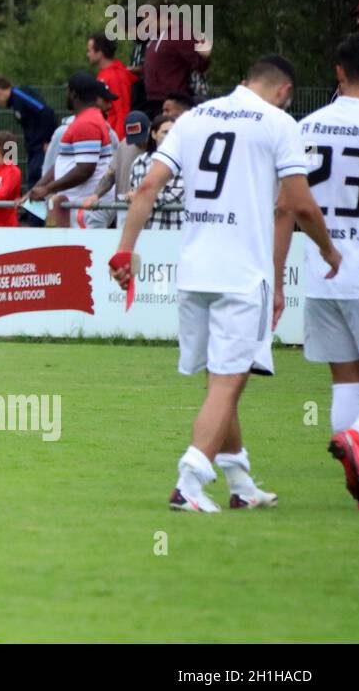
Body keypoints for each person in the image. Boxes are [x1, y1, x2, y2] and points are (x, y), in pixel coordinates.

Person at [111, 54, 340, 512]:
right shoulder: (277, 122)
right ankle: (190, 480)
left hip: (195, 271)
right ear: (283, 92)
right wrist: (329, 250)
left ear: (243, 80)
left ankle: (239, 481)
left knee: (221, 378)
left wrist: (125, 250)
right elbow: (300, 205)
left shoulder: (193, 119)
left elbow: (148, 186)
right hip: (241, 275)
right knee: (229, 381)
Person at [291, 33, 359, 505]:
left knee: (346, 379)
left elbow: (291, 204)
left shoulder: (307, 127)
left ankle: (357, 479)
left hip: (322, 271)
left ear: (338, 71)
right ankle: (356, 440)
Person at [26, 73, 115, 228]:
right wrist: (35, 190)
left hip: (87, 206)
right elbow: (62, 162)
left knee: (86, 251)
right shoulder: (85, 120)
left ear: (73, 93)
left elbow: (85, 169)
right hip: (80, 204)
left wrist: (47, 189)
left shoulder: (87, 123)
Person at [0, 75, 57, 190]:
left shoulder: (20, 95)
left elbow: (46, 111)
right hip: (33, 149)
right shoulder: (15, 103)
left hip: (41, 148)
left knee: (38, 182)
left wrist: (48, 140)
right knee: (33, 182)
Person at [80, 109, 150, 229]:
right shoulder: (124, 145)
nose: (138, 142)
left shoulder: (161, 147)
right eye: (134, 138)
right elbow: (110, 174)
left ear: (150, 129)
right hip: (125, 208)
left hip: (151, 209)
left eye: (141, 138)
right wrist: (96, 195)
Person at [127, 116, 185, 230]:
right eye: (165, 132)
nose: (170, 137)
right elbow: (134, 191)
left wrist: (140, 196)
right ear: (153, 134)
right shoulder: (140, 161)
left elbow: (176, 196)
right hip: (145, 231)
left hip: (174, 229)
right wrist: (131, 197)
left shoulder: (184, 161)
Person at [143, 29, 211, 118]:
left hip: (173, 101)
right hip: (152, 101)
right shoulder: (156, 35)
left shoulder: (180, 33)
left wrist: (204, 57)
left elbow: (199, 64)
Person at [86, 35, 135, 139]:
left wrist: (116, 143)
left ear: (99, 53)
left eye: (89, 50)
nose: (88, 54)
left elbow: (122, 112)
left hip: (113, 136)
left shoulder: (116, 76)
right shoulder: (104, 73)